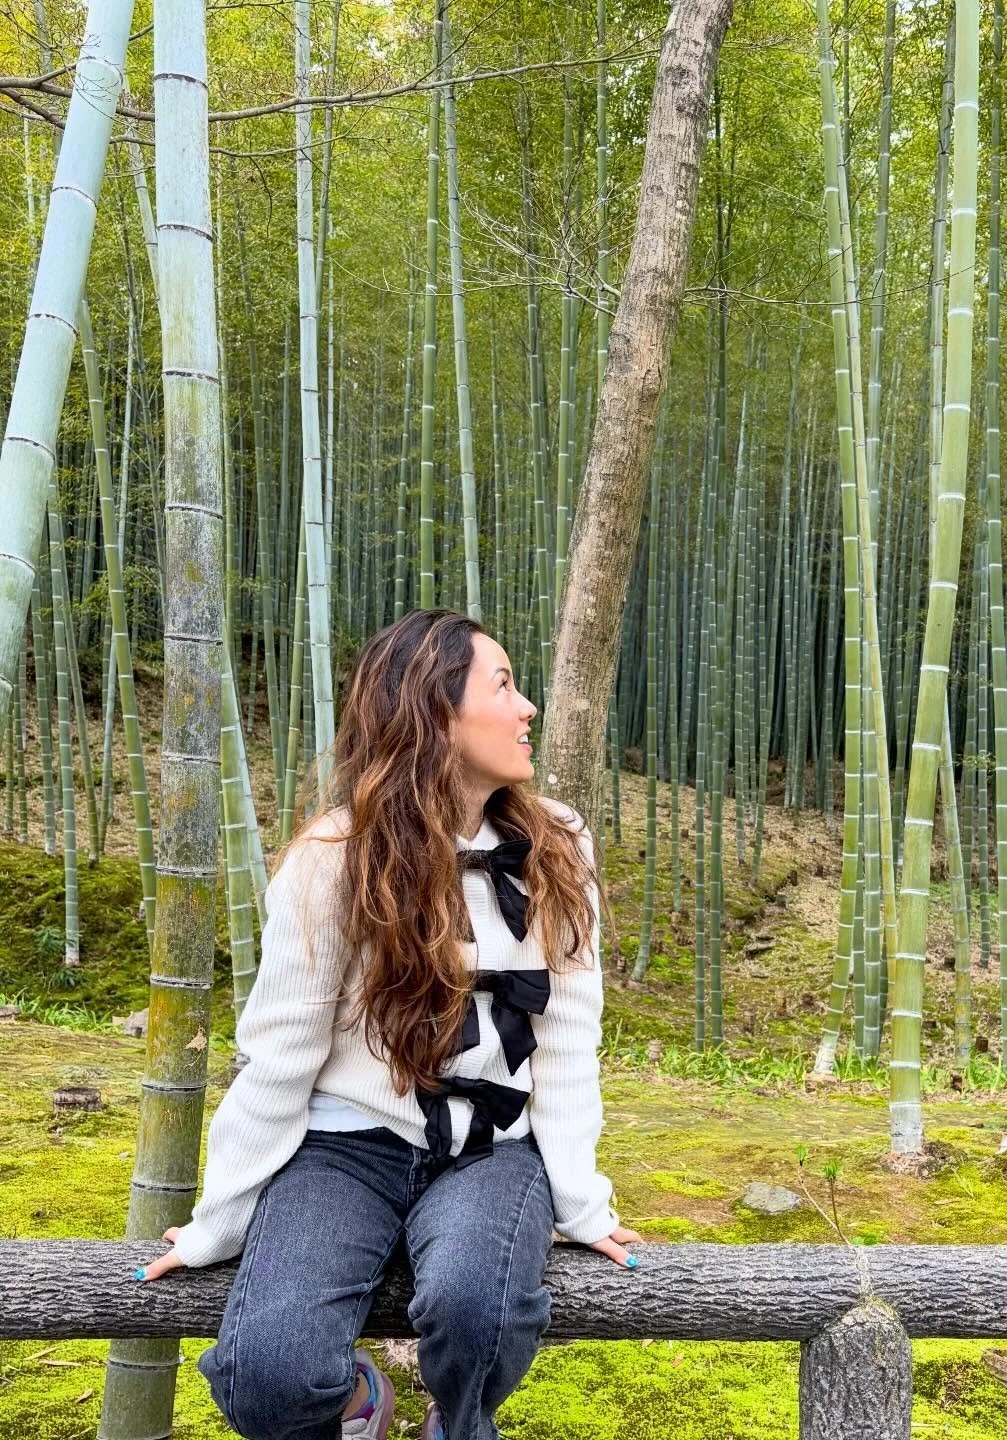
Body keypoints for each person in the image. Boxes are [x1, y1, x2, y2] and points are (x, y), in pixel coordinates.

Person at [136, 608, 641, 1440]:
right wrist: (218, 1220)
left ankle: (460, 1421)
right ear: (434, 712)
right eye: (504, 686)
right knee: (267, 1372)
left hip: (493, 1150)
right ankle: (356, 1405)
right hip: (345, 1149)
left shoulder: (561, 844)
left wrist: (584, 1202)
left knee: (480, 1312)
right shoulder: (333, 857)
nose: (528, 710)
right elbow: (278, 1056)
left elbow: (567, 1039)